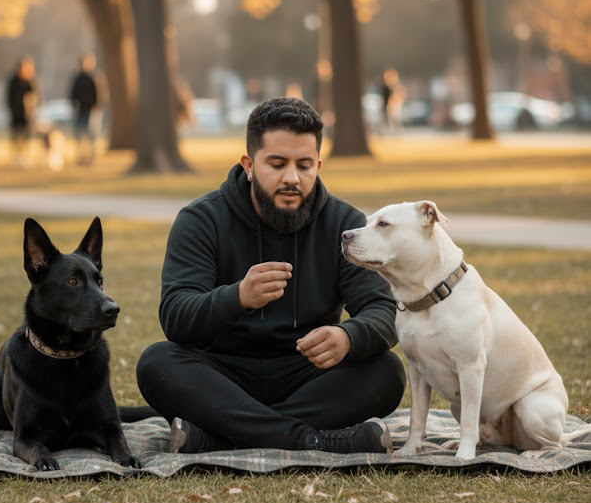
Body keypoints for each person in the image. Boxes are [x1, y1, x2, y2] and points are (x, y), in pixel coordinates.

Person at [136, 97, 406, 455]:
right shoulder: (201, 220)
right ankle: (308, 440)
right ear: (249, 164)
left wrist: (348, 335)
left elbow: (384, 309)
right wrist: (238, 297)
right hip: (222, 376)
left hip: (309, 375)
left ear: (318, 165)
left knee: (386, 371)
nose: (292, 178)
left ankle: (221, 437)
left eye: (304, 165)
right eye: (277, 164)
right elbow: (176, 316)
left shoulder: (344, 224)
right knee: (158, 363)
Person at [7, 56, 38, 167]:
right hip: (16, 115)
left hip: (27, 115)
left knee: (26, 137)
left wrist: (32, 109)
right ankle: (16, 158)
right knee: (16, 137)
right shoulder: (13, 82)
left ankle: (24, 157)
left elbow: (35, 97)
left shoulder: (30, 82)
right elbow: (9, 98)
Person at [69, 53, 100, 164]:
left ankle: (92, 156)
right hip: (80, 110)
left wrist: (96, 107)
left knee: (91, 134)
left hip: (91, 110)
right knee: (79, 134)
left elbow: (100, 94)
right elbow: (72, 94)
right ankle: (81, 156)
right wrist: (73, 105)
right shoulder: (77, 78)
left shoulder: (94, 77)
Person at [378, 68, 406, 134]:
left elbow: (400, 95)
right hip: (386, 106)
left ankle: (397, 132)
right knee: (386, 120)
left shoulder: (394, 87)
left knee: (394, 119)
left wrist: (394, 104)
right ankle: (384, 132)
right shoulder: (384, 87)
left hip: (392, 106)